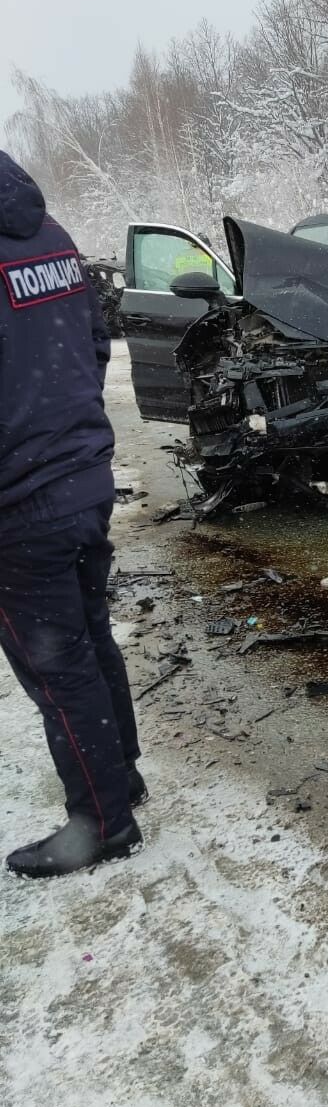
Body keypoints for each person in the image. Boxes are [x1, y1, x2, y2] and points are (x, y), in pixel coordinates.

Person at [0, 150, 145, 879]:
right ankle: (123, 776)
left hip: (20, 507)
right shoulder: (48, 235)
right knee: (88, 636)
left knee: (57, 669)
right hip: (82, 478)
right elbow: (94, 339)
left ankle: (102, 821)